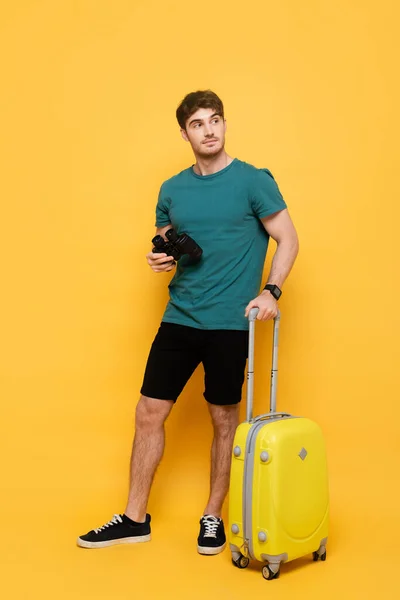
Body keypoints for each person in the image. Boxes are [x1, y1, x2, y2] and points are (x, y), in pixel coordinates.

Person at [77, 90, 299, 554]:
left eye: (215, 120)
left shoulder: (253, 181)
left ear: (224, 124)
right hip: (180, 317)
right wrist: (162, 254)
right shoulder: (172, 188)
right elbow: (164, 235)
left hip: (231, 323)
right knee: (148, 414)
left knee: (223, 419)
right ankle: (135, 519)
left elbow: (288, 238)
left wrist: (271, 291)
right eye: (198, 124)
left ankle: (212, 517)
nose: (210, 130)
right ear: (185, 133)